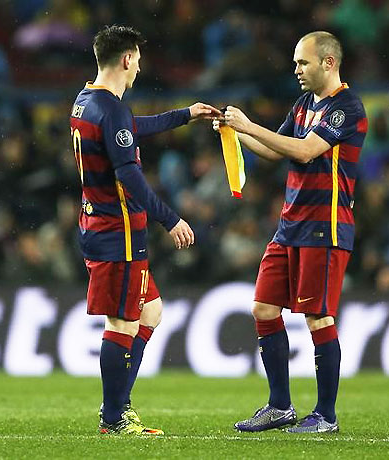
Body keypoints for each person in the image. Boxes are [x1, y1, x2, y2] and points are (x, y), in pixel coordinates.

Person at [215, 31, 368, 433]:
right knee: (264, 309)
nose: (296, 69)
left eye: (303, 62)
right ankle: (280, 406)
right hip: (290, 225)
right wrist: (238, 132)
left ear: (328, 63)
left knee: (317, 317)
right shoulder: (303, 105)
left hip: (324, 226)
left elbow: (303, 151)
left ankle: (326, 416)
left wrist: (251, 124)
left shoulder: (347, 108)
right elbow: (276, 148)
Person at [70, 25, 219, 435]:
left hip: (98, 223)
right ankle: (114, 416)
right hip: (116, 231)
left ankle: (119, 404)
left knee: (150, 311)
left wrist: (186, 114)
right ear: (127, 59)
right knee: (122, 322)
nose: (139, 67)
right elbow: (130, 177)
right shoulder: (111, 109)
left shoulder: (87, 102)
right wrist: (171, 219)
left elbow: (133, 128)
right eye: (137, 59)